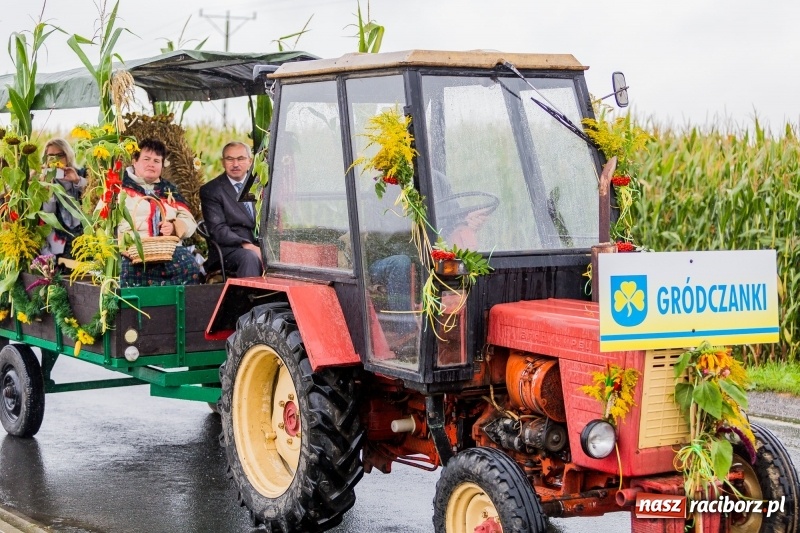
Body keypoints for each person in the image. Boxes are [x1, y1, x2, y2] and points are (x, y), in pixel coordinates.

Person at [115, 138, 201, 287]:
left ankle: (181, 309)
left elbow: (189, 220)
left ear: (162, 165)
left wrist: (174, 227)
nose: (151, 164)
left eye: (156, 161)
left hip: (167, 249)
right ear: (135, 161)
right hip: (132, 250)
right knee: (128, 271)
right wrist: (121, 245)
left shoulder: (169, 190)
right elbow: (102, 224)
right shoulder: (118, 189)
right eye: (146, 159)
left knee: (190, 266)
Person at [199, 141, 262, 278]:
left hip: (261, 245)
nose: (235, 164)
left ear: (250, 161)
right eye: (230, 159)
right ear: (223, 162)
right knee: (249, 257)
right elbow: (218, 229)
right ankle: (249, 298)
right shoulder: (212, 190)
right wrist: (246, 244)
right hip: (230, 249)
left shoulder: (260, 186)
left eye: (240, 159)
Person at [40, 138, 87, 258]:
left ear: (68, 156)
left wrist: (77, 181)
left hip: (85, 236)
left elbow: (93, 197)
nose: (55, 160)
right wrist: (49, 190)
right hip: (61, 242)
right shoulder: (43, 181)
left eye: (60, 155)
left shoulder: (81, 173)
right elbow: (48, 214)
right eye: (50, 156)